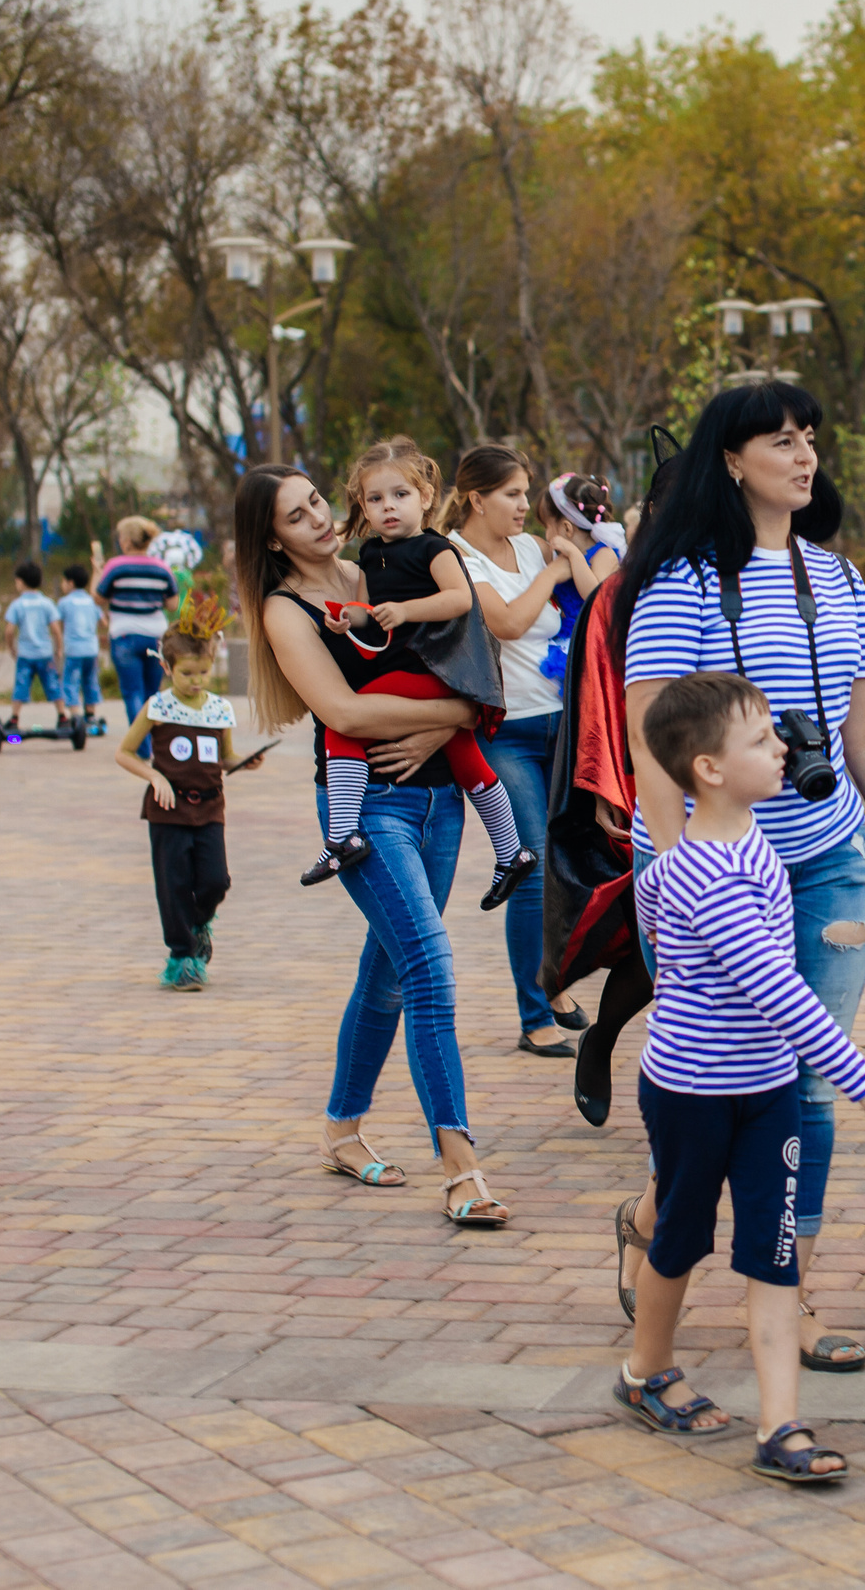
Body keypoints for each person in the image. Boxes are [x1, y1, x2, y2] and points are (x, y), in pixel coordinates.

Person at [613, 380, 865, 1374]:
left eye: (809, 439)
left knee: (804, 1084)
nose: (802, 457)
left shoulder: (834, 581)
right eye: (779, 441)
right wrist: (681, 883)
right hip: (709, 870)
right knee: (714, 1081)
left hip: (829, 859)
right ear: (729, 459)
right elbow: (650, 740)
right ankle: (657, 1217)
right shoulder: (678, 582)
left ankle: (787, 1294)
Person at [618, 669, 865, 1479]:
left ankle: (780, 1425)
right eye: (760, 740)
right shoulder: (703, 872)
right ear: (707, 768)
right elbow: (777, 989)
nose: (783, 747)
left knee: (773, 1250)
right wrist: (862, 1079)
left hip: (767, 1090)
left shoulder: (750, 843)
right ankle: (646, 1370)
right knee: (680, 1235)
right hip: (691, 1093)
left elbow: (654, 914)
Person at [236, 461, 511, 1227]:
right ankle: (461, 1167)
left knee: (388, 969)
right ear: (271, 535)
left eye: (318, 500)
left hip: (440, 800)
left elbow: (468, 659)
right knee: (428, 963)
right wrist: (453, 718)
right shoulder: (286, 609)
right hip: (368, 806)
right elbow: (343, 713)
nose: (321, 518)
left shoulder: (386, 568)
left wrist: (446, 721)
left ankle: (340, 1128)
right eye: (297, 515)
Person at [305, 439, 536, 915]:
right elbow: (370, 612)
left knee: (343, 723)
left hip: (438, 667)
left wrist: (404, 609)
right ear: (363, 507)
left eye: (400, 495)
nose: (388, 507)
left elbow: (460, 599)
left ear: (426, 497)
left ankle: (342, 834)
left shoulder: (436, 547)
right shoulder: (371, 554)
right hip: (404, 664)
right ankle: (511, 850)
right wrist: (349, 617)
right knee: (465, 755)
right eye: (375, 499)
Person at [452, 447, 588, 1053]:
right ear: (476, 498)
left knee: (575, 863)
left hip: (562, 722)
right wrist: (554, 575)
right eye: (510, 493)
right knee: (530, 864)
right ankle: (535, 1016)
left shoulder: (532, 547)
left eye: (527, 492)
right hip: (504, 731)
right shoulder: (458, 555)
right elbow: (504, 622)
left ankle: (557, 980)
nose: (523, 506)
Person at [116, 594, 262, 990]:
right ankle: (183, 959)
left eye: (203, 672)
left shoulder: (218, 709)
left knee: (215, 880)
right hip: (169, 809)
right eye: (187, 674)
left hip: (210, 806)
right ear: (167, 668)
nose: (196, 681)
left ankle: (199, 925)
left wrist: (243, 762)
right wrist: (154, 777)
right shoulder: (156, 707)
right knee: (173, 883)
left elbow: (226, 756)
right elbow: (124, 753)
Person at [94, 516, 180, 735]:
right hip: (156, 636)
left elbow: (98, 598)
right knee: (152, 693)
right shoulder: (162, 568)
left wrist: (97, 571)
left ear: (127, 541)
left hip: (124, 635)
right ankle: (154, 742)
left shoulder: (116, 566)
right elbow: (172, 604)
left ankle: (141, 745)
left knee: (133, 692)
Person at [535, 470, 624, 639]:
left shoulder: (603, 554)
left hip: (590, 641)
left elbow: (595, 596)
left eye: (547, 527)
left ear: (567, 528)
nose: (547, 535)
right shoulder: (561, 558)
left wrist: (575, 555)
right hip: (565, 635)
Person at [1, 562, 69, 735]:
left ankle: (15, 719)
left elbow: (9, 631)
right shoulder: (46, 603)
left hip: (25, 654)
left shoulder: (17, 605)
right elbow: (56, 630)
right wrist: (58, 649)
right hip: (45, 654)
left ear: (21, 582)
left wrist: (11, 649)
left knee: (21, 686)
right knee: (53, 684)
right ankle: (62, 716)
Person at [57, 563, 104, 733]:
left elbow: (58, 625)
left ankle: (75, 717)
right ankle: (90, 716)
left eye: (63, 582)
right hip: (92, 649)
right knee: (90, 680)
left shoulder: (64, 603)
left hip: (73, 650)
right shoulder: (92, 601)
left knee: (70, 681)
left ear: (70, 583)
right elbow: (103, 622)